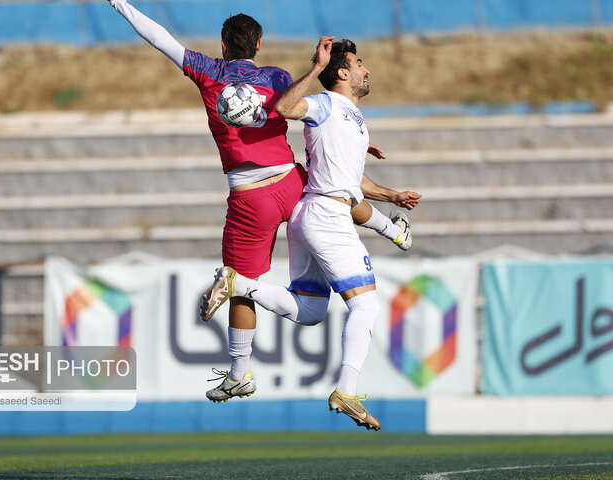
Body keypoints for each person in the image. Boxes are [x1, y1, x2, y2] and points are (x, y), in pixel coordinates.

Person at [107, 0, 419, 404]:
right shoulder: (276, 76)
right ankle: (394, 230)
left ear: (223, 45)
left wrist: (120, 4)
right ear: (258, 45)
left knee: (239, 284)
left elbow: (158, 37)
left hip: (249, 199)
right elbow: (300, 108)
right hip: (291, 182)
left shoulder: (208, 71)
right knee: (334, 188)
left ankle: (240, 373)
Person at [201, 36, 422, 430]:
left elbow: (352, 183)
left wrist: (392, 195)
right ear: (343, 72)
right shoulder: (325, 104)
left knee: (312, 311)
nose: (366, 69)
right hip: (326, 216)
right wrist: (316, 68)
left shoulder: (353, 118)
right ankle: (347, 390)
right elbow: (285, 107)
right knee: (366, 306)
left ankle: (239, 284)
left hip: (312, 213)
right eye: (359, 63)